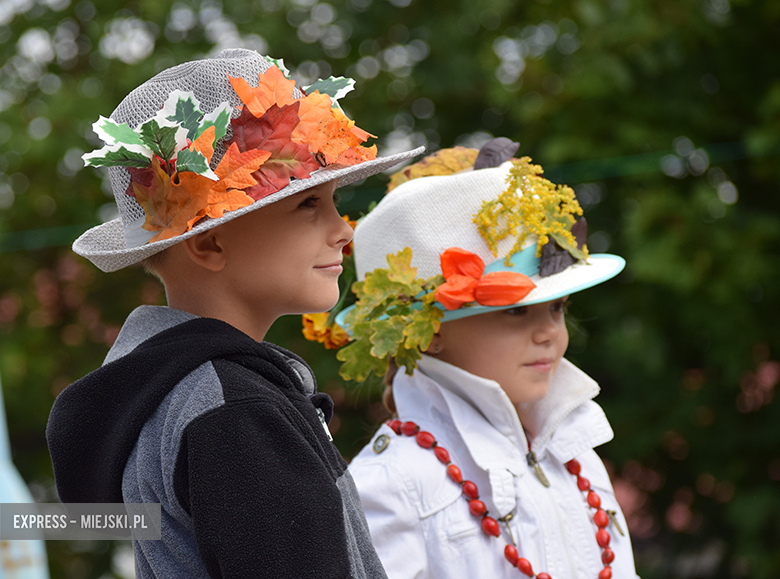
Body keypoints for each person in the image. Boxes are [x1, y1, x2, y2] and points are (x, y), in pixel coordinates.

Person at [45, 48, 422, 578]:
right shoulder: (238, 416)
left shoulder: (185, 395)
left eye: (333, 201)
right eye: (308, 204)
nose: (343, 230)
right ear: (210, 243)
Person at [318, 141, 640, 578]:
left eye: (557, 307)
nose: (549, 331)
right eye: (515, 311)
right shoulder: (394, 483)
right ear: (430, 332)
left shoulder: (578, 458)